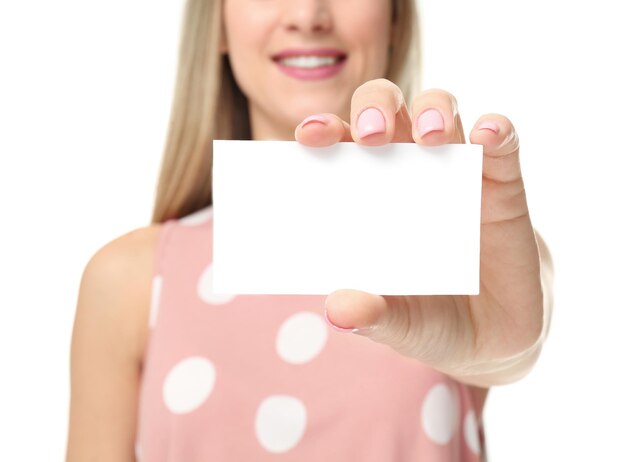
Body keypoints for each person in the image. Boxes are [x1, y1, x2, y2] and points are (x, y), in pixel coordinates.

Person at [66, 0, 553, 460]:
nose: (307, 14)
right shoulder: (127, 279)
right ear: (217, 21)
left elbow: (512, 345)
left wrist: (509, 344)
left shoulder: (469, 243)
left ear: (396, 17)